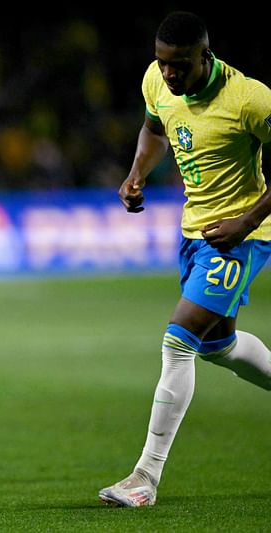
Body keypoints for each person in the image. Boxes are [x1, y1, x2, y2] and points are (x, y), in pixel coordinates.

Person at [99, 10, 271, 507]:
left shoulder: (250, 99)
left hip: (240, 237)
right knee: (218, 345)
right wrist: (137, 173)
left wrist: (248, 221)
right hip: (194, 231)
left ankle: (144, 478)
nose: (169, 74)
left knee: (180, 340)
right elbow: (154, 129)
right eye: (163, 63)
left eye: (180, 65)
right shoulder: (157, 80)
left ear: (206, 56)